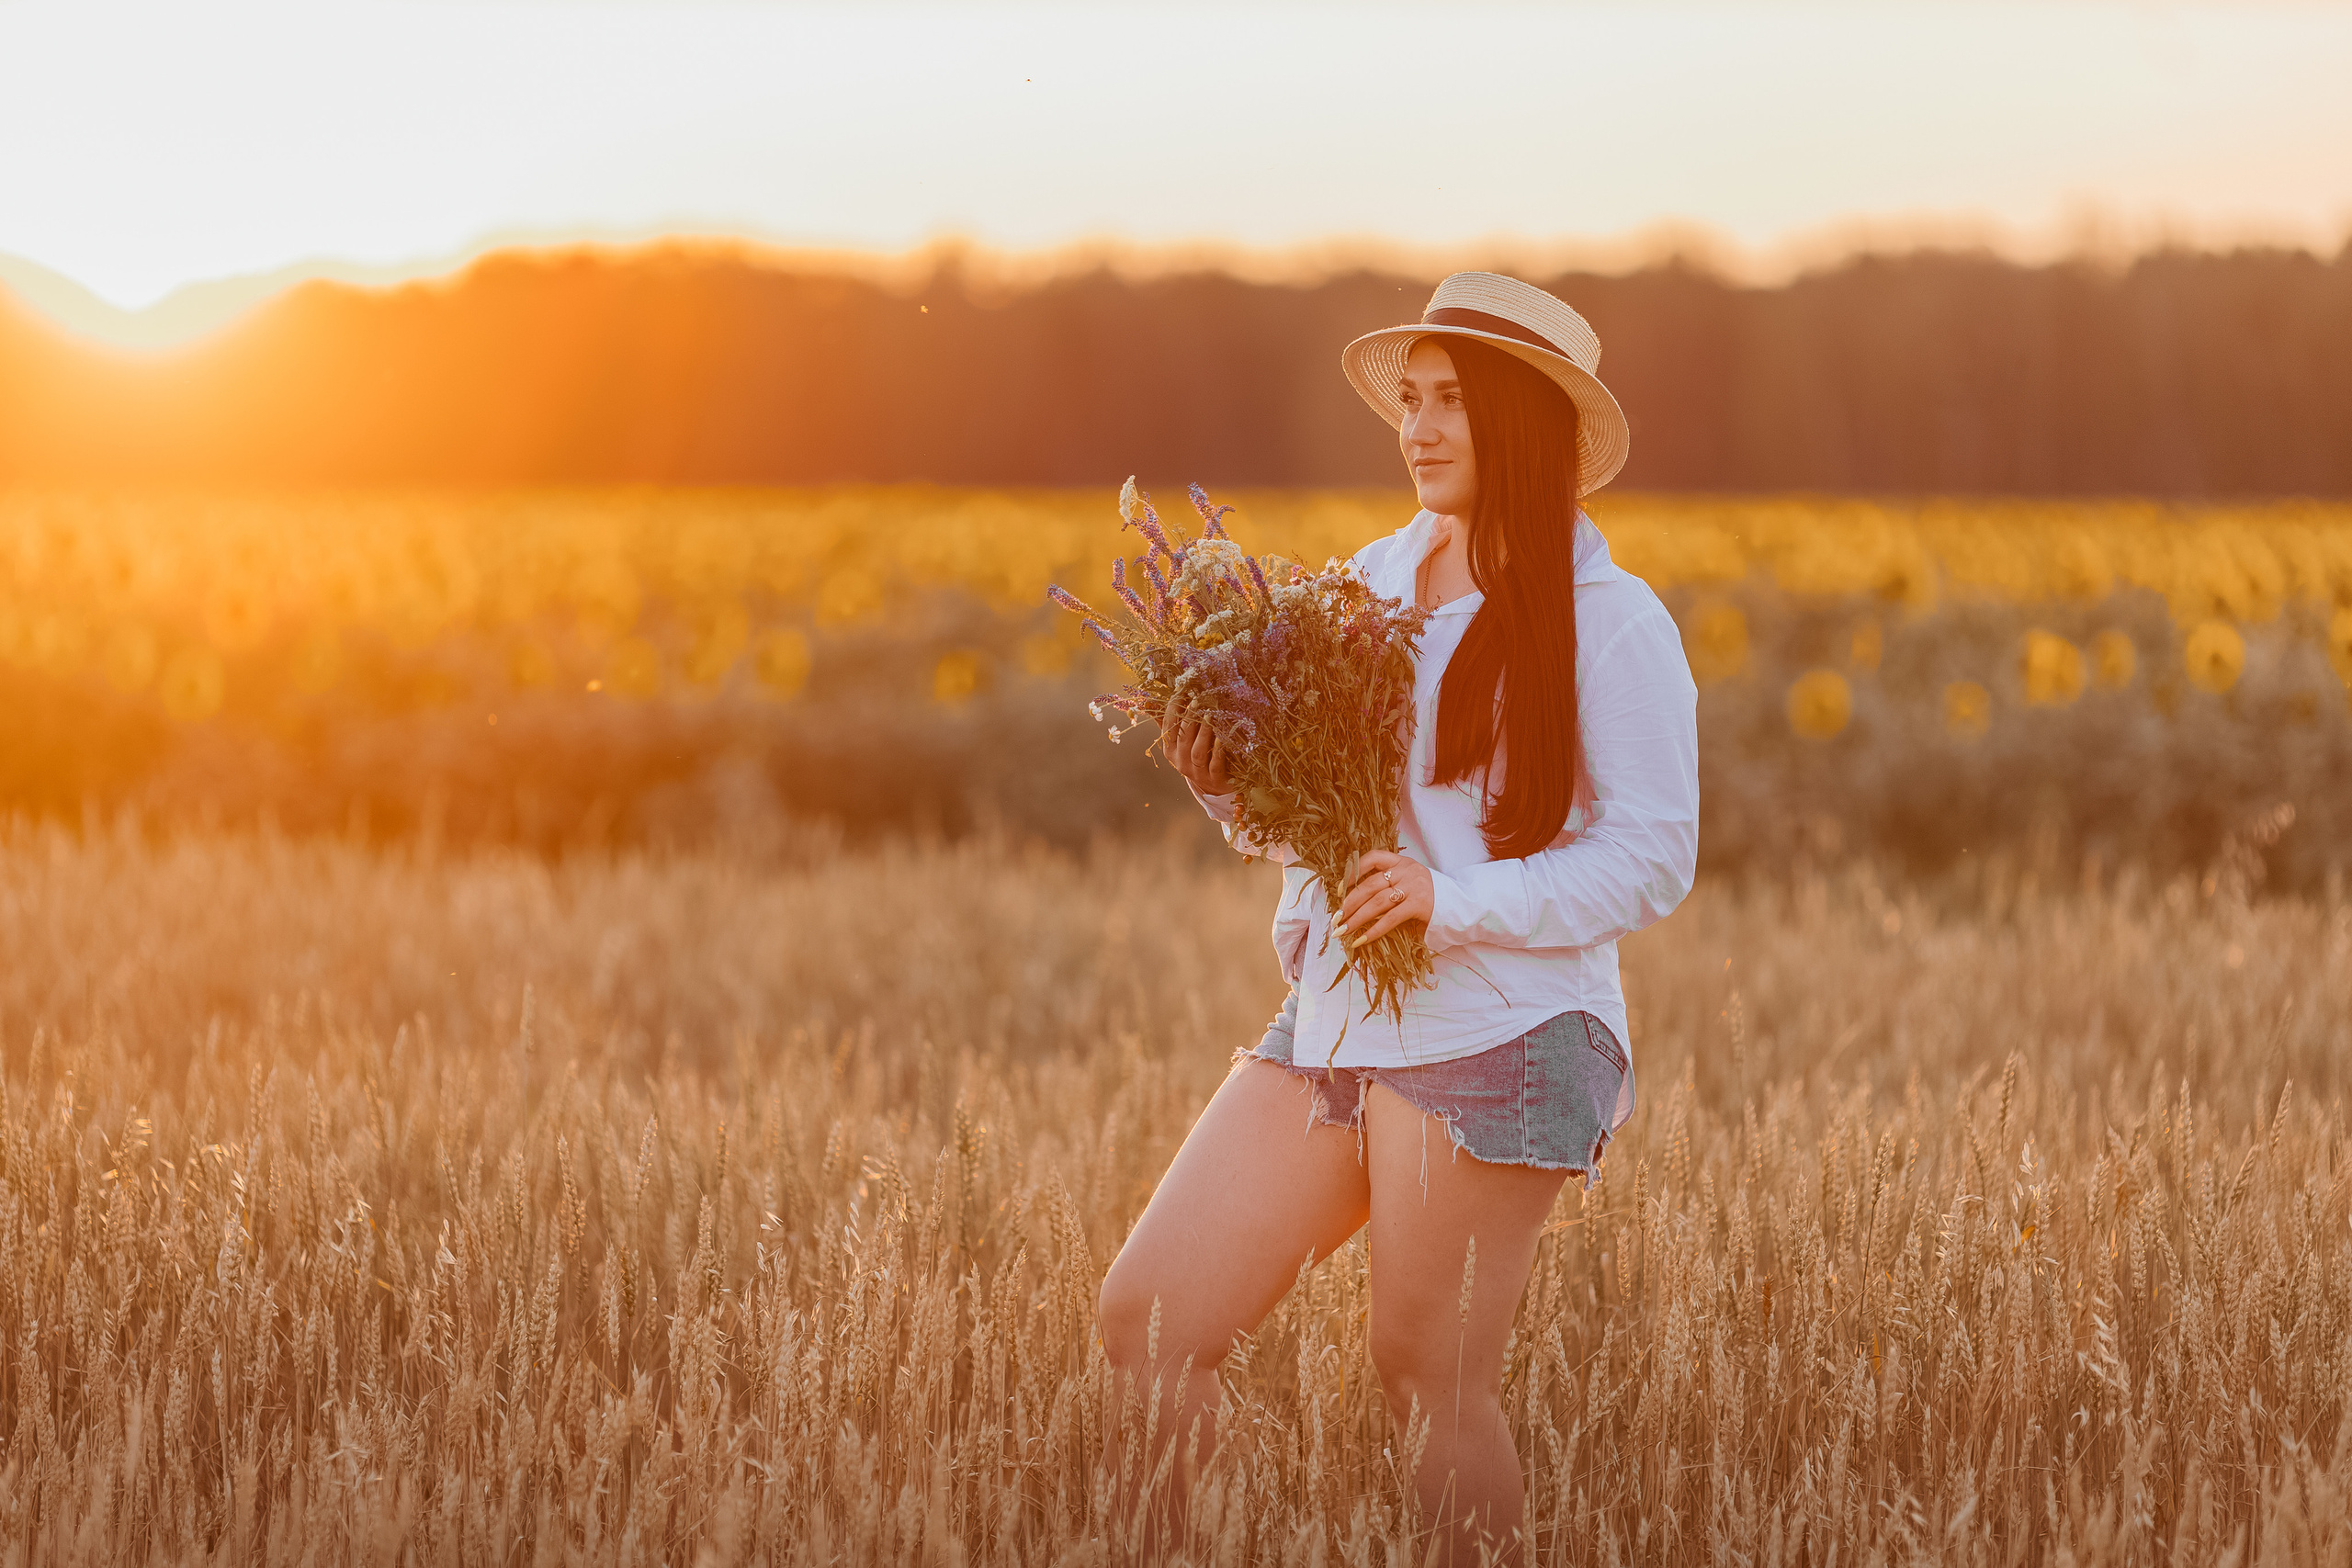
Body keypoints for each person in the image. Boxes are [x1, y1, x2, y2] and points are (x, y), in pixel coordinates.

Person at [1096, 272, 1701, 1562]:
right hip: (1340, 1020)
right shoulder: (1365, 582)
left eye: (1454, 406)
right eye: (1412, 402)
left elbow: (1655, 858)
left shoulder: (1611, 622)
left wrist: (1455, 898)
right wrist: (1223, 789)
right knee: (1145, 1323)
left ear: (1527, 427)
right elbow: (1316, 830)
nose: (1420, 429)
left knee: (1424, 1372)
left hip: (1509, 1027)